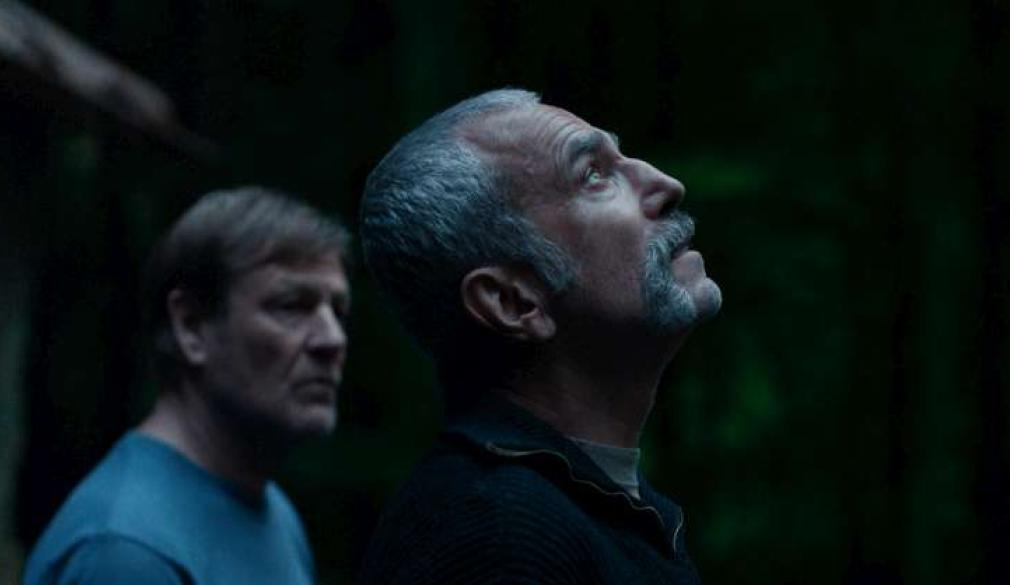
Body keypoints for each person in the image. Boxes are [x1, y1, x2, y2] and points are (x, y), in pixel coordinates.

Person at [357, 88, 722, 584]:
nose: (666, 183)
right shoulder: (497, 536)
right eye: (593, 174)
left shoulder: (592, 504)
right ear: (513, 302)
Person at [23, 187, 351, 585]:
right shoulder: (128, 550)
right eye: (291, 305)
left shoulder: (273, 510)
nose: (333, 340)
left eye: (338, 310)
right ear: (191, 326)